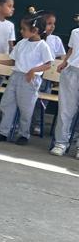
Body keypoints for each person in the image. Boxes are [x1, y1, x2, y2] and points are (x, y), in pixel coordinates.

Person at [0, 15, 53, 145]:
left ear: (35, 30)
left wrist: (33, 70)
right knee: (7, 104)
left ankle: (24, 134)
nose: (21, 31)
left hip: (30, 80)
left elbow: (48, 64)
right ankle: (3, 132)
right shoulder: (22, 43)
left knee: (26, 109)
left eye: (24, 29)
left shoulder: (42, 46)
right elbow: (13, 61)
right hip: (15, 76)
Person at [50, 18, 79, 157]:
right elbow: (71, 51)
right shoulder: (75, 32)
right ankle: (61, 143)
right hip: (72, 72)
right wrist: (65, 62)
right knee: (66, 109)